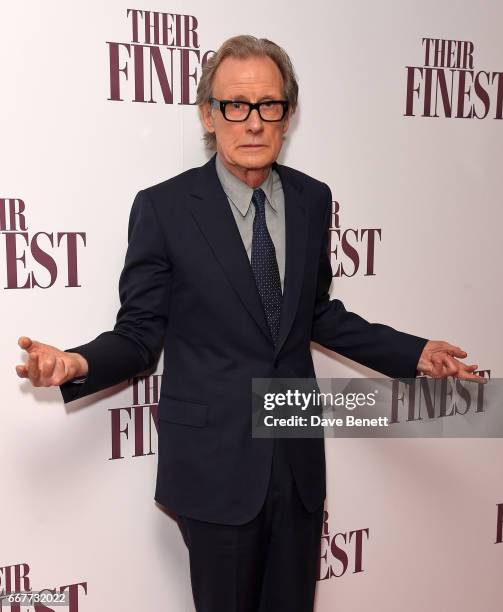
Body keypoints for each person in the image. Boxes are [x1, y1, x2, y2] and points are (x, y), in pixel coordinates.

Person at [16, 35, 482, 612]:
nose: (254, 122)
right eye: (236, 105)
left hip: (297, 455)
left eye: (269, 105)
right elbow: (139, 334)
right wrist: (76, 363)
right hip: (215, 465)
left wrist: (412, 353)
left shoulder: (313, 199)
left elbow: (315, 313)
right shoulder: (164, 208)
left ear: (288, 114)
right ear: (209, 115)